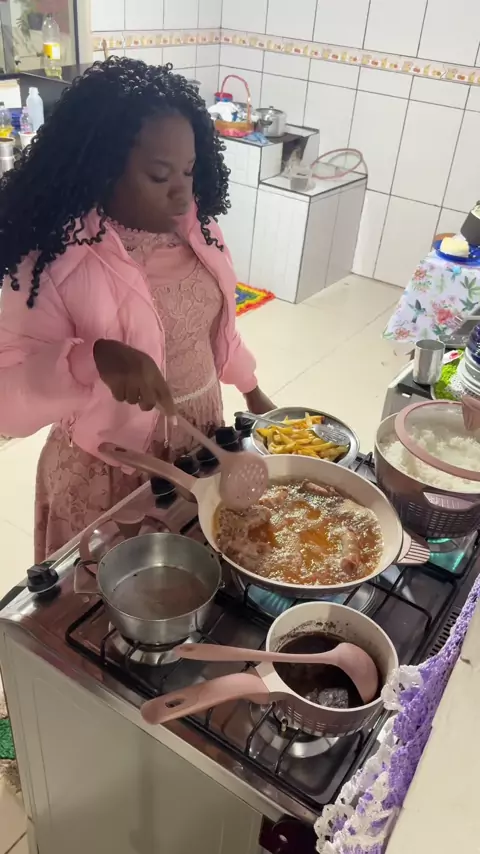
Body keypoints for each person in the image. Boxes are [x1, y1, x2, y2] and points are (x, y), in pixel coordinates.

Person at [0, 57, 273, 561]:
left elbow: (211, 332)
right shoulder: (54, 260)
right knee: (108, 600)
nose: (183, 192)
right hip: (110, 471)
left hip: (201, 445)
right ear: (102, 169)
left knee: (194, 584)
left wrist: (253, 390)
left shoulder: (200, 232)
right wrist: (93, 358)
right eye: (159, 175)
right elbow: (8, 403)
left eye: (189, 170)